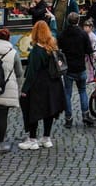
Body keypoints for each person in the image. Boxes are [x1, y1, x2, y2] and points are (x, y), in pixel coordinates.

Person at [18, 21, 65, 150]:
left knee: (32, 110)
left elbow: (32, 73)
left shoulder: (36, 52)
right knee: (49, 111)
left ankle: (32, 139)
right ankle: (46, 138)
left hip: (39, 86)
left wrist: (24, 90)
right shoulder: (52, 46)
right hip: (53, 84)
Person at [57, 12, 94, 128]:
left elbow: (59, 49)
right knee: (82, 91)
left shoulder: (63, 34)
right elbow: (89, 50)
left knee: (67, 93)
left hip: (68, 68)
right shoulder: (83, 34)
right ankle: (85, 115)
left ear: (68, 21)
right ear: (78, 21)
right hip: (80, 67)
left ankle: (69, 119)